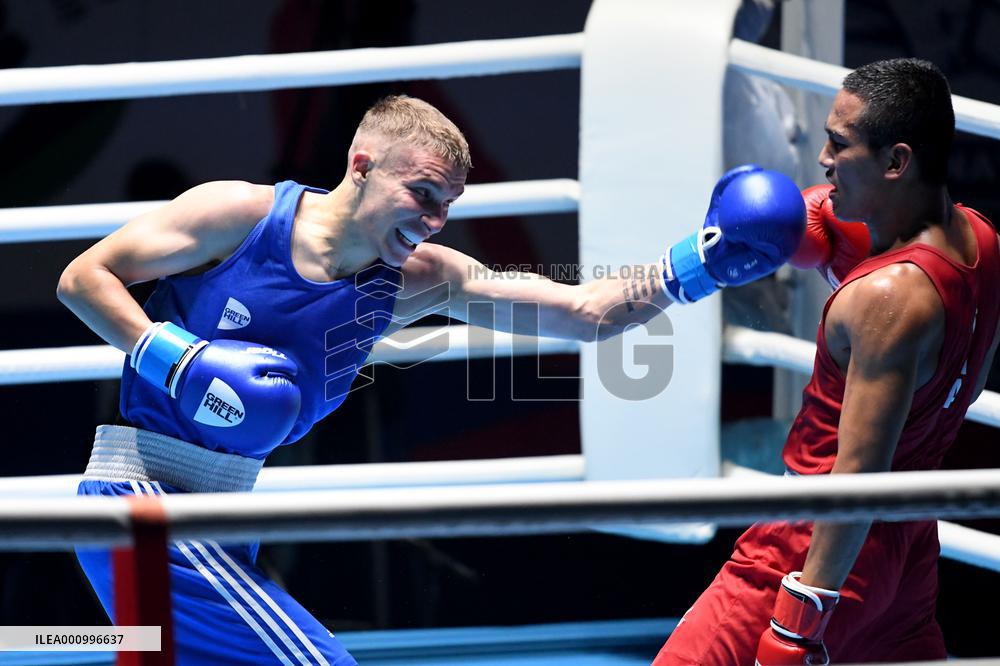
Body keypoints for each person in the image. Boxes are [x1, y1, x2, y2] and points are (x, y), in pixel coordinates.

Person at [57, 94, 805, 665]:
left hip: (225, 516)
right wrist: (174, 358)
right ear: (362, 165)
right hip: (139, 495)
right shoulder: (241, 216)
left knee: (119, 645)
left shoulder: (416, 280)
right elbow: (83, 277)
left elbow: (586, 312)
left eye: (447, 205)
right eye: (422, 193)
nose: (434, 219)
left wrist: (699, 265)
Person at [654, 58, 1000, 665]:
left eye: (839, 144)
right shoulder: (984, 241)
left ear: (896, 162)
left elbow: (856, 479)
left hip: (816, 546)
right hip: (907, 542)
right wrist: (860, 288)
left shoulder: (885, 299)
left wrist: (797, 624)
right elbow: (956, 387)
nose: (822, 160)